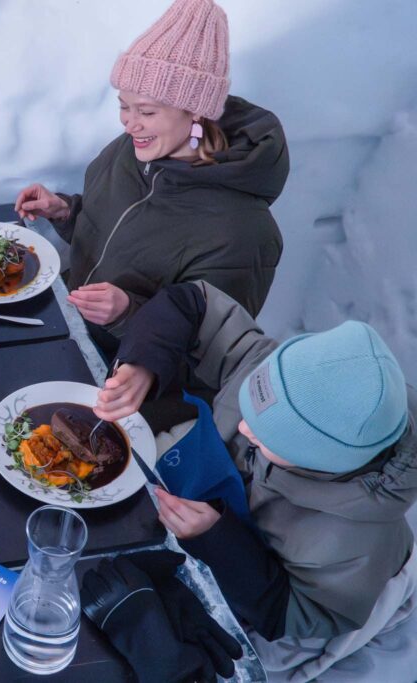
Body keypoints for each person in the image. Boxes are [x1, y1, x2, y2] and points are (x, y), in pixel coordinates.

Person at [93, 280, 417, 681]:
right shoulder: (277, 376)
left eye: (267, 435)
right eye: (249, 409)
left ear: (317, 462)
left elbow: (294, 616)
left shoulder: (350, 542)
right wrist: (143, 361)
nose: (244, 427)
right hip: (228, 495)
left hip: (316, 592)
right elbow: (194, 303)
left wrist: (218, 539)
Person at [14, 0, 288, 427]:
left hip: (131, 398)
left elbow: (211, 354)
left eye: (146, 111)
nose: (129, 124)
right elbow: (120, 232)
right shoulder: (136, 150)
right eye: (124, 105)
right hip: (69, 334)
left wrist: (127, 313)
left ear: (195, 109)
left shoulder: (242, 232)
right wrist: (67, 212)